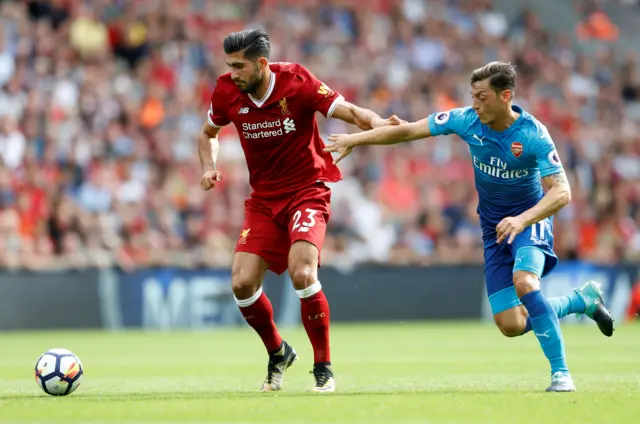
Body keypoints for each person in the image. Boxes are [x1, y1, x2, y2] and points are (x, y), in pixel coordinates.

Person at [324, 61, 615, 392]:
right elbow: (407, 130)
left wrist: (522, 219)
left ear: (505, 96)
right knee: (511, 324)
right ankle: (582, 300)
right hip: (493, 230)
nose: (475, 104)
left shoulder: (532, 135)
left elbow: (562, 192)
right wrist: (356, 140)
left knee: (525, 280)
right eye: (472, 96)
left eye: (482, 97)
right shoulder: (466, 120)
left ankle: (561, 374)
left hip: (528, 220)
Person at [197, 29, 401, 393]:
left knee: (302, 273)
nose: (233, 73)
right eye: (229, 65)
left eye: (240, 65)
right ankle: (278, 352)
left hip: (307, 191)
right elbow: (208, 134)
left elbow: (350, 111)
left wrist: (379, 124)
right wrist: (207, 166)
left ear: (261, 63)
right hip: (262, 200)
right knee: (242, 284)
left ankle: (323, 367)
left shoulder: (297, 80)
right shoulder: (226, 89)